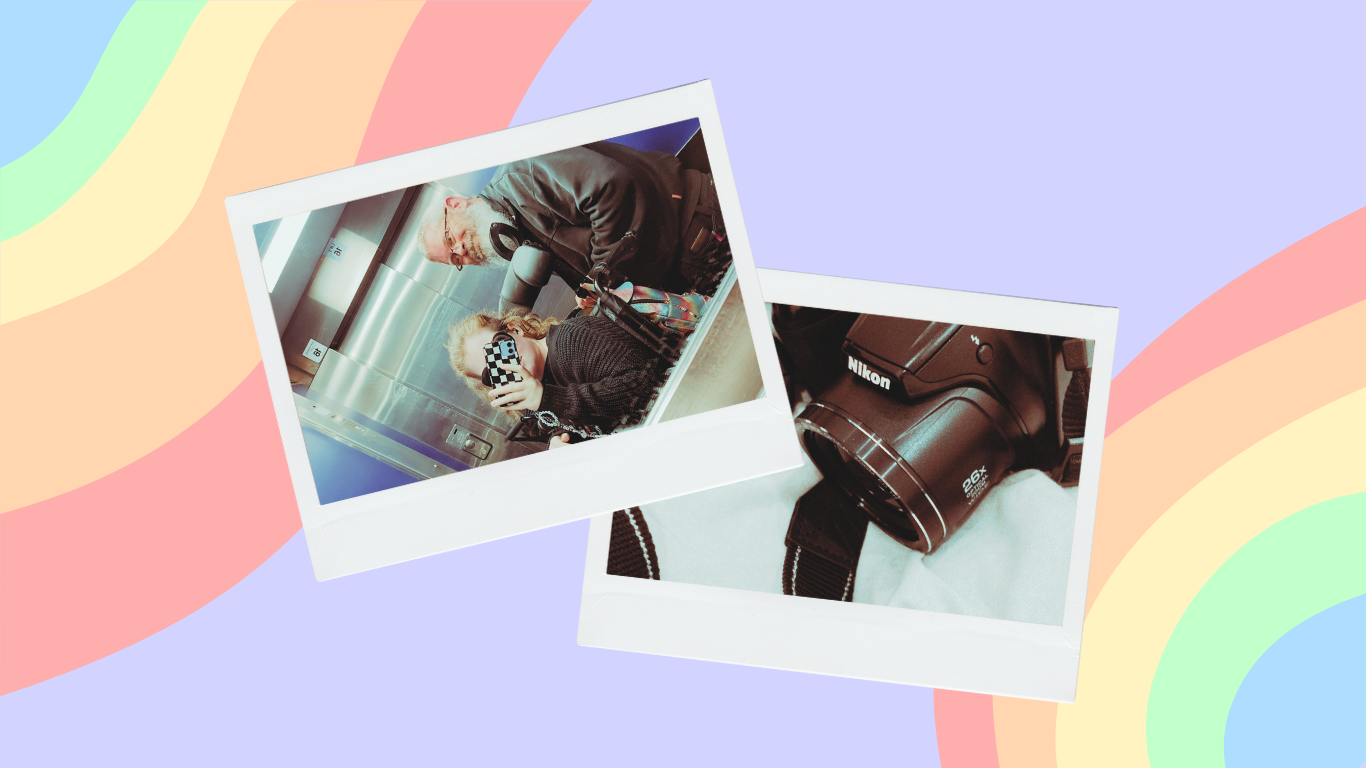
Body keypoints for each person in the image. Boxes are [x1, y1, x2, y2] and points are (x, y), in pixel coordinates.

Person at [420, 141, 726, 305]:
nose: (461, 250)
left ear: (455, 204)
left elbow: (611, 186)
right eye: (456, 259)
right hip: (680, 262)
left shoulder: (521, 175)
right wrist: (591, 293)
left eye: (450, 239)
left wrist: (600, 280)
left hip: (697, 229)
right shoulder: (513, 230)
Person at [444, 308, 670, 448]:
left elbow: (649, 382)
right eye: (492, 370)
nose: (505, 364)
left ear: (515, 329)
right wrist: (559, 438)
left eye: (499, 349)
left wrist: (549, 398)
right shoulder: (531, 405)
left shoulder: (571, 340)